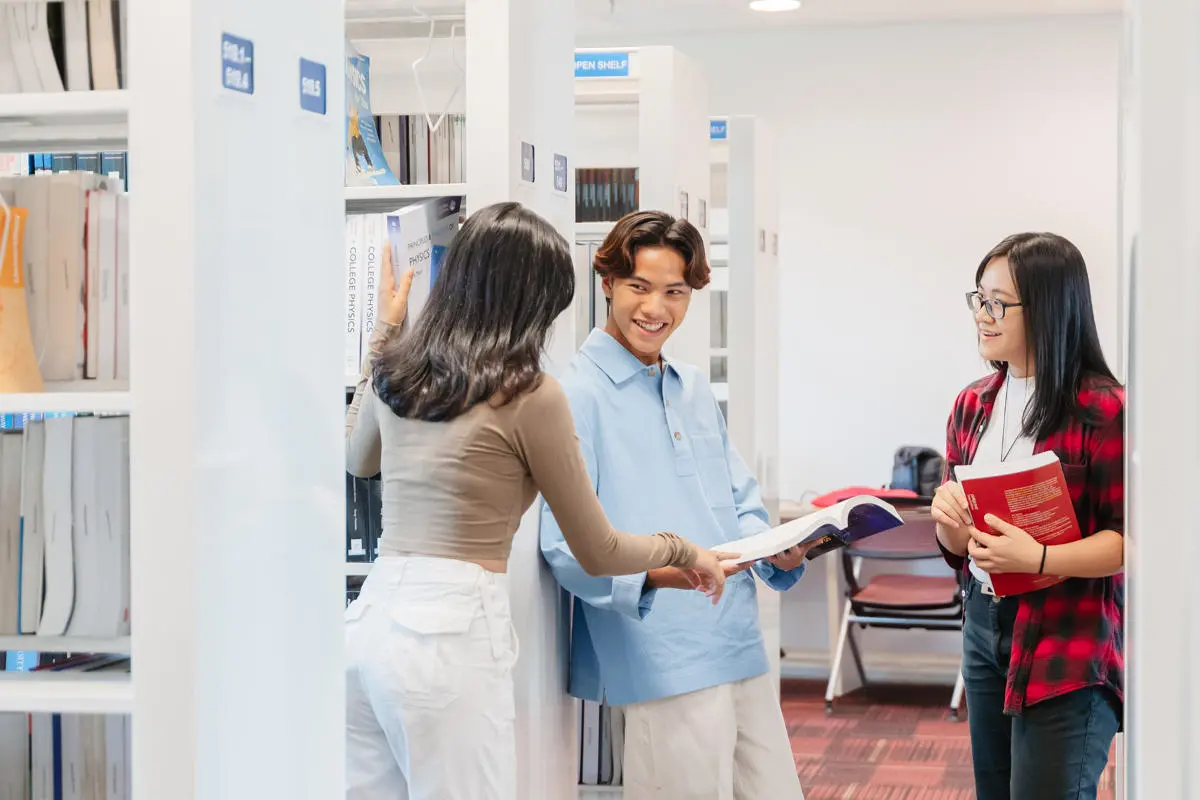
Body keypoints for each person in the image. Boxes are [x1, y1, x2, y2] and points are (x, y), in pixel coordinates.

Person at [343, 202, 729, 800]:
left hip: (368, 622)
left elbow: (356, 460)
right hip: (451, 631)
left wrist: (386, 334)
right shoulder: (530, 393)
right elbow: (598, 550)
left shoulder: (399, 369)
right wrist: (683, 549)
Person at [540, 210, 811, 800]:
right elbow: (562, 547)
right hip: (658, 651)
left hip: (735, 635)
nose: (655, 308)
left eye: (674, 292)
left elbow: (740, 502)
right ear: (607, 282)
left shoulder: (691, 387)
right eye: (639, 287)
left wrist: (775, 553)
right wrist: (667, 576)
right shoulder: (573, 394)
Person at [932, 232, 1124, 800]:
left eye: (998, 303)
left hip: (1069, 635)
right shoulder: (973, 404)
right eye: (979, 299)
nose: (982, 316)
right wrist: (950, 523)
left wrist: (1039, 558)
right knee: (995, 790)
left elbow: (1134, 541)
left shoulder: (1103, 410)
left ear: (1047, 307)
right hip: (985, 625)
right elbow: (957, 547)